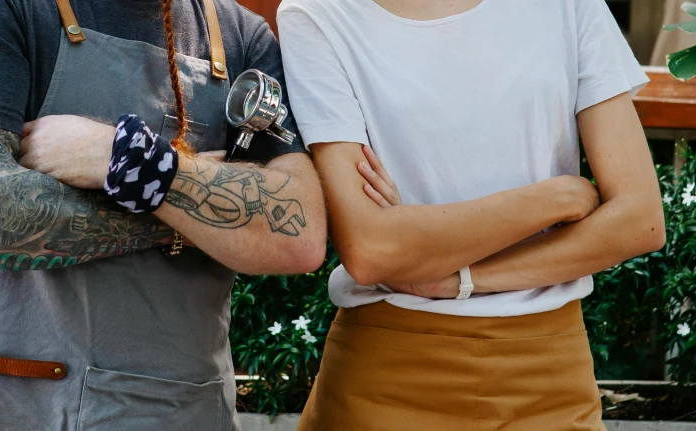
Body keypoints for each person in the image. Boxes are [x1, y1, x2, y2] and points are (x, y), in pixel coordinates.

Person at [0, 0, 326, 429]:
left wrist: (122, 157)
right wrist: (186, 203)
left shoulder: (241, 35)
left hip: (174, 407)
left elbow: (298, 234)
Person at [278, 0, 665, 429]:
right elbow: (373, 249)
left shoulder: (566, 6)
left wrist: (458, 279)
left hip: (549, 378)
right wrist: (556, 196)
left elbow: (639, 220)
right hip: (386, 377)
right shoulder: (319, 13)